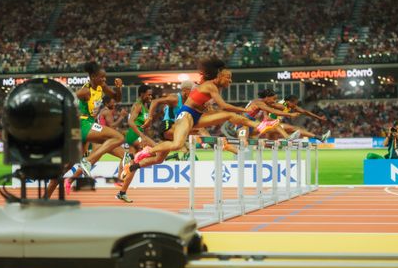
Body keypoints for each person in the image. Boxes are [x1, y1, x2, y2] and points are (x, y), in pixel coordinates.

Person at [121, 57, 276, 179]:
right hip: (186, 116)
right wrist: (244, 109)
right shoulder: (210, 86)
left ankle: (260, 125)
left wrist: (211, 110)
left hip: (197, 117)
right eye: (228, 77)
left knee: (230, 116)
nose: (230, 81)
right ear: (220, 75)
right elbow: (224, 106)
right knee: (177, 144)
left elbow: (214, 108)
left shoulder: (215, 88)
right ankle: (149, 149)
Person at [46, 61, 125, 198]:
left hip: (87, 125)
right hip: (82, 124)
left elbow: (116, 98)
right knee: (118, 137)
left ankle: (44, 199)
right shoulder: (85, 91)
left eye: (105, 77)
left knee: (65, 167)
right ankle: (88, 162)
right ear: (93, 77)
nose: (104, 79)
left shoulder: (102, 87)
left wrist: (119, 88)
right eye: (102, 77)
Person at [266, 94, 331, 142]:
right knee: (295, 128)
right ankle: (320, 138)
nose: (295, 106)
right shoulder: (281, 105)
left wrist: (319, 117)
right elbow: (268, 107)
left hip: (275, 126)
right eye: (294, 104)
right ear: (288, 102)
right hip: (268, 125)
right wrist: (290, 114)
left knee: (272, 145)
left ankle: (320, 138)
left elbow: (305, 112)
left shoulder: (290, 105)